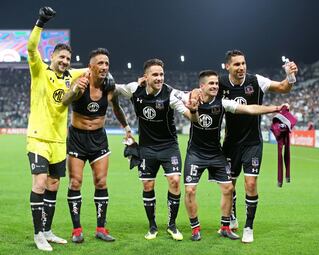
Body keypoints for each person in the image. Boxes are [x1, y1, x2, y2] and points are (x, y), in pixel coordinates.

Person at [184, 70, 288, 241]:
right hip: (195, 153)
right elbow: (192, 117)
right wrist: (193, 100)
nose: (215, 86)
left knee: (228, 188)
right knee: (189, 190)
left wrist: (275, 108)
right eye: (211, 84)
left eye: (217, 84)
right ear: (201, 86)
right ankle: (195, 229)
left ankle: (226, 226)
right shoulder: (189, 98)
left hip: (216, 153)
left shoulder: (223, 102)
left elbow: (249, 109)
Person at [217, 50, 298, 243]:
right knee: (230, 186)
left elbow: (283, 88)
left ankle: (249, 227)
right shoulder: (220, 83)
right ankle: (232, 217)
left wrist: (290, 75)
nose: (241, 67)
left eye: (243, 63)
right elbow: (203, 93)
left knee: (251, 184)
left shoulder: (256, 81)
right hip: (230, 143)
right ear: (228, 66)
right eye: (236, 64)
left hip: (252, 142)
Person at [113, 58, 197, 241]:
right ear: (145, 77)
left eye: (161, 74)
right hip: (147, 148)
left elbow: (188, 113)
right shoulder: (135, 89)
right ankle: (152, 226)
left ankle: (172, 225)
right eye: (155, 75)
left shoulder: (170, 93)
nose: (159, 78)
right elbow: (113, 87)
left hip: (169, 147)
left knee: (175, 180)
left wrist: (193, 110)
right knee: (147, 185)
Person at [27, 6, 87, 251]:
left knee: (53, 186)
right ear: (52, 57)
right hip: (38, 138)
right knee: (40, 183)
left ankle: (48, 230)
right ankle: (38, 234)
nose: (64, 61)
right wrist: (41, 22)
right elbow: (31, 48)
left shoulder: (70, 75)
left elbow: (94, 69)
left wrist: (103, 72)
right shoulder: (40, 70)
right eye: (61, 57)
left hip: (59, 141)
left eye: (68, 59)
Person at [62, 48, 132, 243]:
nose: (104, 67)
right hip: (77, 137)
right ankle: (77, 230)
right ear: (90, 66)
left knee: (101, 182)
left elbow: (117, 108)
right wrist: (75, 90)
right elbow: (64, 101)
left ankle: (101, 228)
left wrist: (126, 127)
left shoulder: (109, 88)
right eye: (100, 63)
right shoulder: (80, 83)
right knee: (75, 182)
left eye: (106, 64)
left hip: (99, 138)